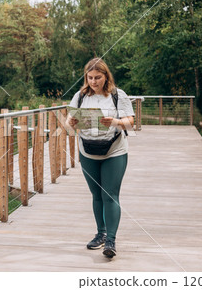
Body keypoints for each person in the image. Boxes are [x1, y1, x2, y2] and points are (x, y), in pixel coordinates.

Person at [66, 58, 134, 259]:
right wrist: (73, 122)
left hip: (114, 150)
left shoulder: (117, 95)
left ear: (106, 77)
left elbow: (130, 123)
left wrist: (114, 121)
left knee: (110, 194)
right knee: (96, 195)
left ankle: (111, 240)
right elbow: (69, 127)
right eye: (90, 77)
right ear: (86, 77)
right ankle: (100, 233)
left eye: (98, 77)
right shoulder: (80, 97)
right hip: (87, 151)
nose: (94, 82)